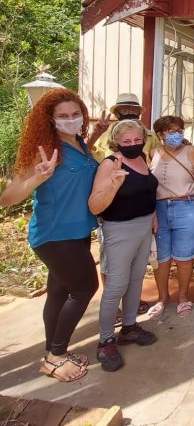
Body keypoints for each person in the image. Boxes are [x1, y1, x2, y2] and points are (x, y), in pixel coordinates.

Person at [0, 88, 99, 382]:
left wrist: (94, 138)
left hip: (79, 230)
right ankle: (56, 357)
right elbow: (7, 198)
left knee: (58, 291)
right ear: (50, 119)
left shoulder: (80, 142)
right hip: (55, 234)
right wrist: (37, 177)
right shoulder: (44, 148)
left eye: (75, 114)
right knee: (84, 288)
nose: (70, 120)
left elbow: (78, 170)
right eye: (62, 116)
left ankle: (51, 352)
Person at [89, 119, 159, 372]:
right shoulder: (110, 164)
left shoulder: (142, 160)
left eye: (137, 140)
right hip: (118, 229)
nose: (133, 145)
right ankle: (105, 340)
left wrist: (152, 216)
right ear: (116, 142)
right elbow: (95, 204)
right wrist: (113, 184)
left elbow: (147, 191)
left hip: (142, 227)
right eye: (126, 142)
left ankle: (129, 327)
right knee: (116, 284)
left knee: (137, 278)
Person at [86, 92, 156, 318]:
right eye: (124, 109)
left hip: (142, 217)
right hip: (115, 215)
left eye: (133, 109)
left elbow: (156, 156)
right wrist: (96, 133)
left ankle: (130, 317)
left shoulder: (149, 136)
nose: (129, 113)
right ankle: (112, 312)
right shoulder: (108, 136)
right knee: (113, 270)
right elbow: (89, 155)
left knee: (136, 273)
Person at [147, 115, 194, 319]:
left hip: (188, 206)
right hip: (159, 209)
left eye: (180, 130)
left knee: (184, 256)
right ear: (161, 135)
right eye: (172, 132)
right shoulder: (153, 152)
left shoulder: (189, 150)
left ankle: (183, 297)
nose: (177, 135)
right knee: (161, 257)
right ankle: (162, 298)